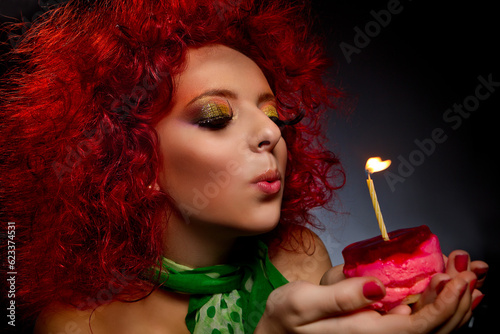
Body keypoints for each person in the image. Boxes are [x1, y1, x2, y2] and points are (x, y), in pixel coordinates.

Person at [0, 0, 487, 333]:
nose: (272, 133)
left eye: (274, 115)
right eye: (216, 118)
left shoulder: (300, 256)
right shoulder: (77, 323)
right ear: (133, 159)